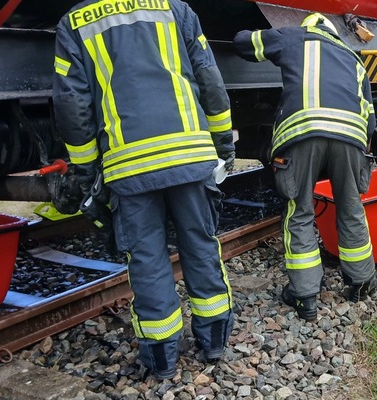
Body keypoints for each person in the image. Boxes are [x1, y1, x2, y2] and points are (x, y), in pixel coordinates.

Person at [53, 0, 236, 379]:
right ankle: (215, 342)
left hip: (129, 165)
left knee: (148, 260)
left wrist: (87, 169)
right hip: (189, 155)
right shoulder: (177, 9)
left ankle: (162, 361)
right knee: (201, 246)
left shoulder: (75, 22)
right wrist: (223, 142)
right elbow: (209, 78)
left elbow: (73, 104)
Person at [232, 13, 377, 321]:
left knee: (299, 213)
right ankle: (362, 283)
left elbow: (245, 44)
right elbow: (371, 118)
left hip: (301, 135)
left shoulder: (293, 37)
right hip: (351, 138)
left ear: (308, 28)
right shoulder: (353, 59)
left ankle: (305, 297)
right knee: (351, 209)